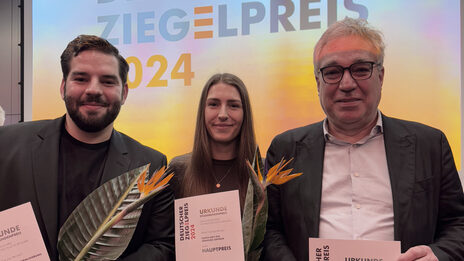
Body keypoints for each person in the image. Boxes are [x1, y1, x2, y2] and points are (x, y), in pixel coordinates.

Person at [262, 18, 464, 261]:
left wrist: (438, 255)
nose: (347, 84)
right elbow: (270, 230)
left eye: (360, 69)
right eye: (333, 72)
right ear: (318, 83)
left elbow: (457, 223)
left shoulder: (430, 144)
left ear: (380, 76)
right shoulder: (285, 149)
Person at [0, 35, 174, 260]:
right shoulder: (7, 145)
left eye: (108, 81)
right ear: (63, 87)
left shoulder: (151, 166)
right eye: (81, 78)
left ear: (125, 93)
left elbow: (162, 245)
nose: (93, 89)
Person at [169, 73, 256, 209]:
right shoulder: (178, 170)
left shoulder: (263, 172)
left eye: (233, 106)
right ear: (202, 111)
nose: (222, 115)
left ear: (245, 114)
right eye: (213, 104)